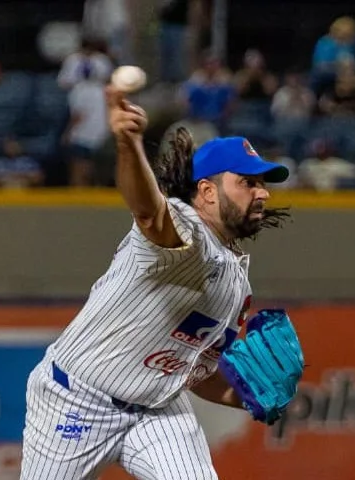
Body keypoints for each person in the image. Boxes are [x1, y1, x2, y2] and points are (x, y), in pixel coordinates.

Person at [20, 86, 303, 479]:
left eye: (263, 183)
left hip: (158, 410)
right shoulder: (185, 229)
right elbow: (149, 213)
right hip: (76, 401)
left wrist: (249, 394)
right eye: (248, 182)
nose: (262, 193)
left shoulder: (235, 280)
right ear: (206, 191)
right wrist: (127, 144)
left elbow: (195, 375)